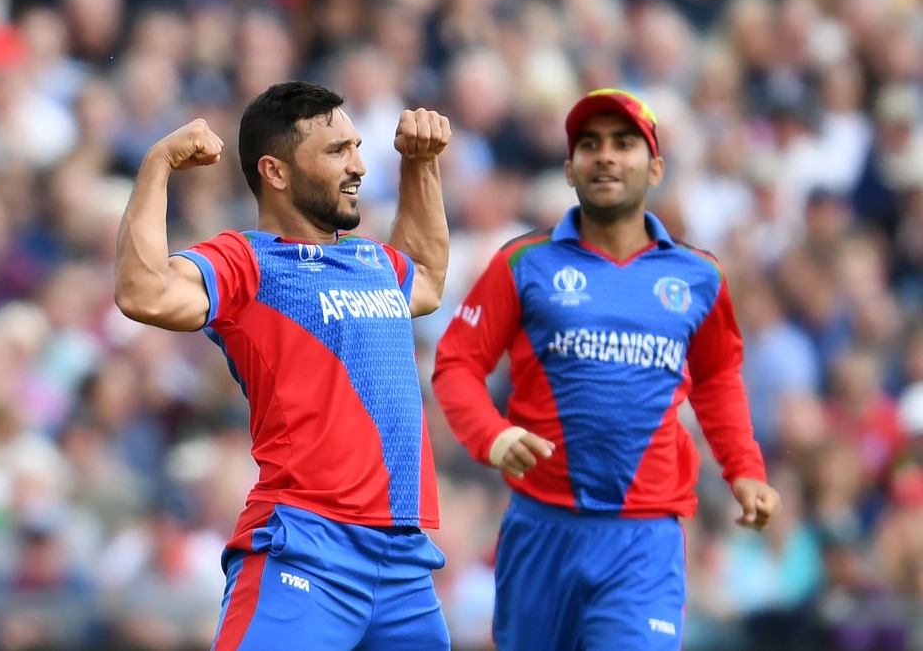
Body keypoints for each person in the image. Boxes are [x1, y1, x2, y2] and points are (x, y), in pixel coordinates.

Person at [431, 88, 782, 651]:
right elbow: (456, 363)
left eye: (624, 143)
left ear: (656, 168)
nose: (606, 156)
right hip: (540, 531)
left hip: (644, 540)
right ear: (570, 169)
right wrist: (490, 435)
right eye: (590, 145)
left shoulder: (698, 276)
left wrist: (745, 469)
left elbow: (717, 379)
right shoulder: (523, 262)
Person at [114, 81, 452, 651]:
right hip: (306, 548)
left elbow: (427, 276)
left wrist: (421, 164)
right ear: (275, 171)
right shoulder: (247, 261)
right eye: (337, 151)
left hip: (405, 567)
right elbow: (143, 291)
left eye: (356, 147)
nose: (359, 166)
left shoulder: (373, 259)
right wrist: (157, 165)